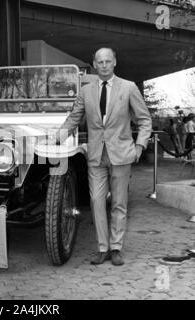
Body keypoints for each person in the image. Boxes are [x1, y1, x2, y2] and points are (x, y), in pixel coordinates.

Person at [56, 48, 152, 266]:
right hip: (96, 156)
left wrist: (139, 147)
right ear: (94, 64)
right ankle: (102, 247)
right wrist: (55, 140)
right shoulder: (86, 91)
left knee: (119, 203)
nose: (104, 65)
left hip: (122, 155)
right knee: (97, 202)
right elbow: (73, 119)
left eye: (108, 61)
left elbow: (145, 120)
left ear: (115, 62)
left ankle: (116, 248)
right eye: (100, 62)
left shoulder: (129, 88)